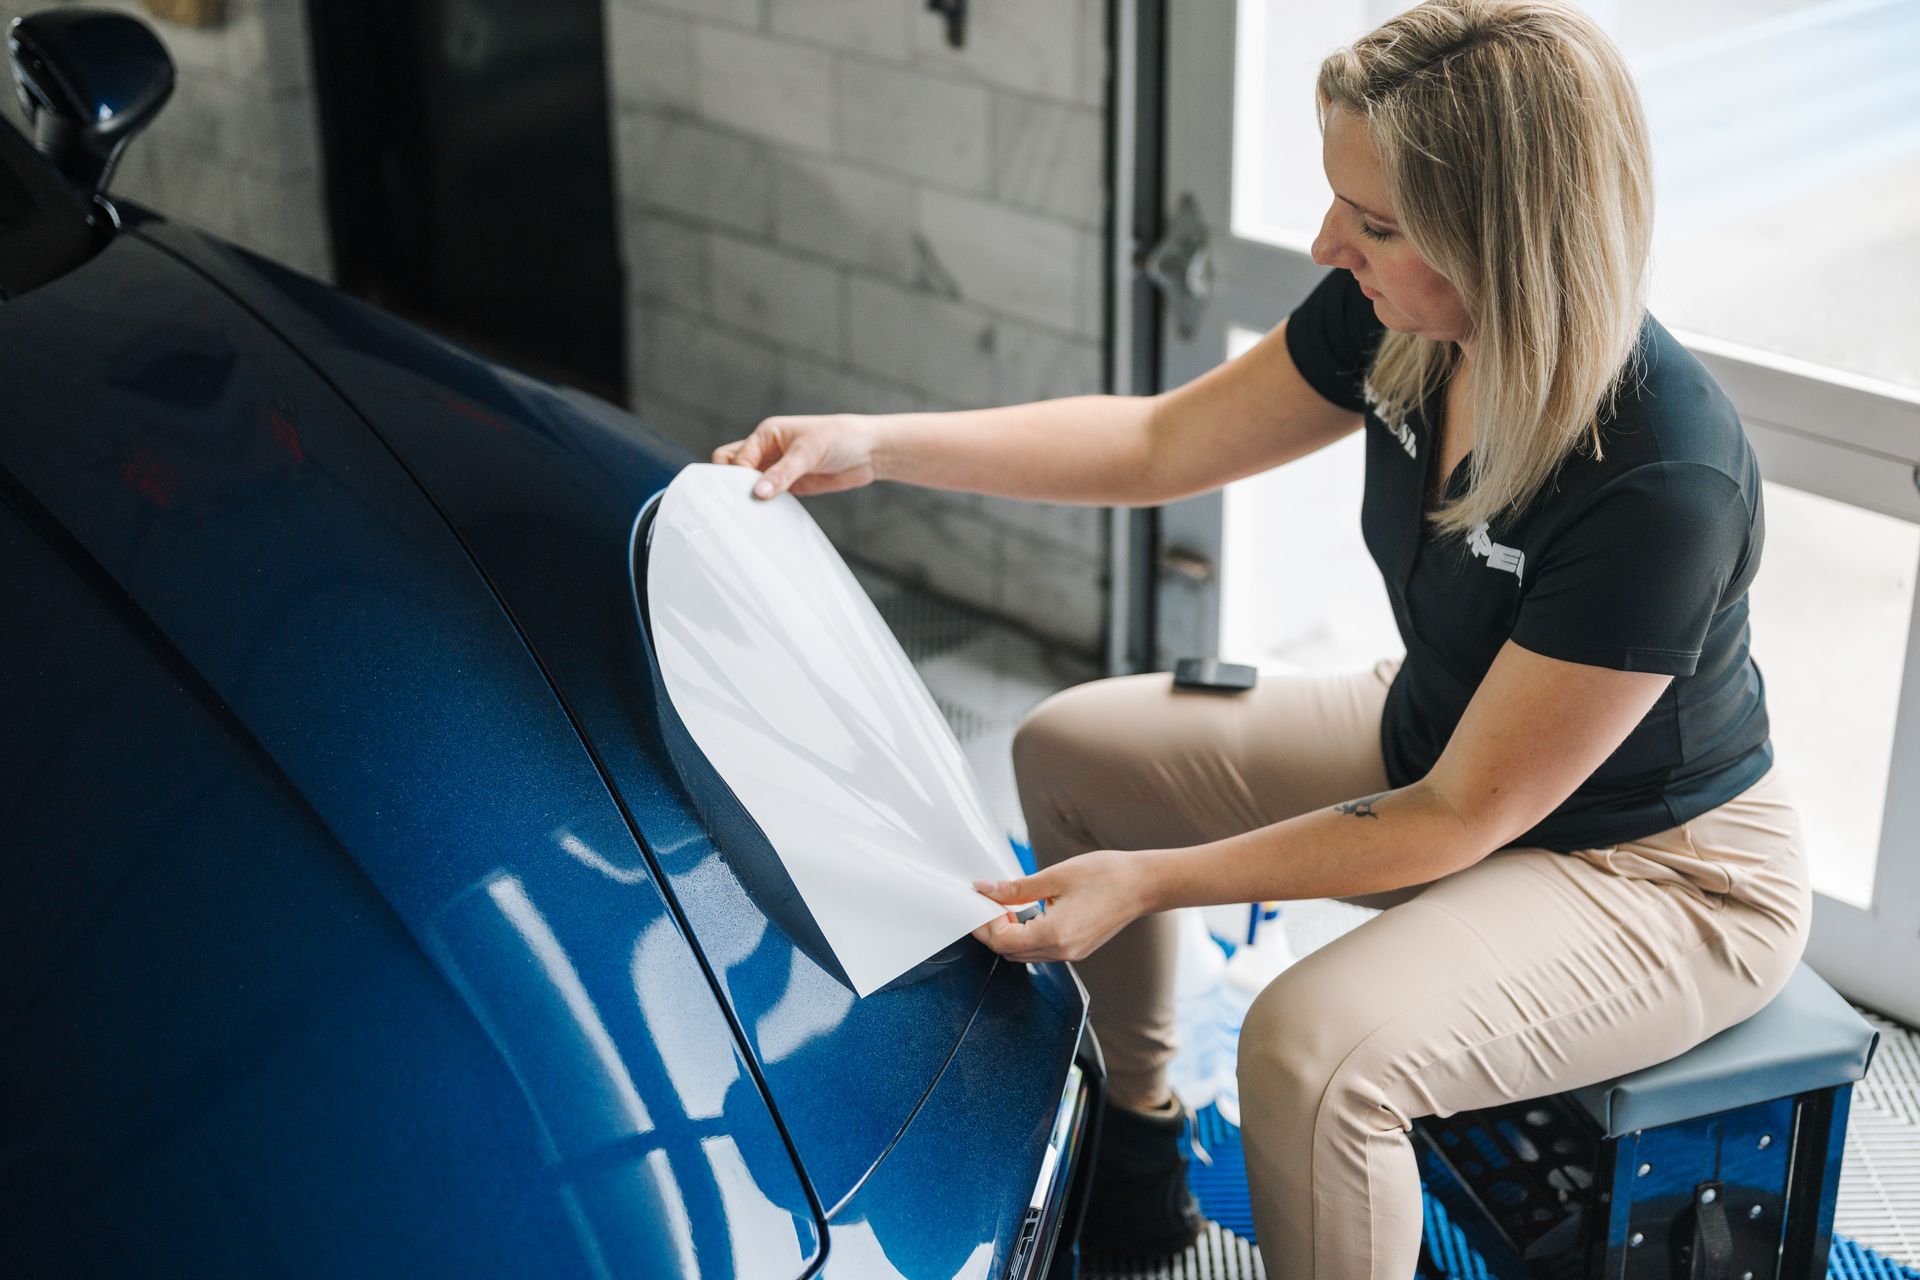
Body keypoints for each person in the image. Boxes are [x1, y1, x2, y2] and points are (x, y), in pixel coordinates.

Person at [712, 1, 1810, 1274]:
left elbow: (1454, 817)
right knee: (1074, 753)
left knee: (1308, 1051)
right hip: (1447, 736)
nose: (1326, 241)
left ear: (1510, 247)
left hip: (1651, 869)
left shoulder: (1665, 475)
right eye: (1343, 200)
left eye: (1378, 223)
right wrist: (880, 443)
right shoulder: (1402, 315)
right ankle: (1138, 1141)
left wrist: (1152, 876)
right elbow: (1157, 443)